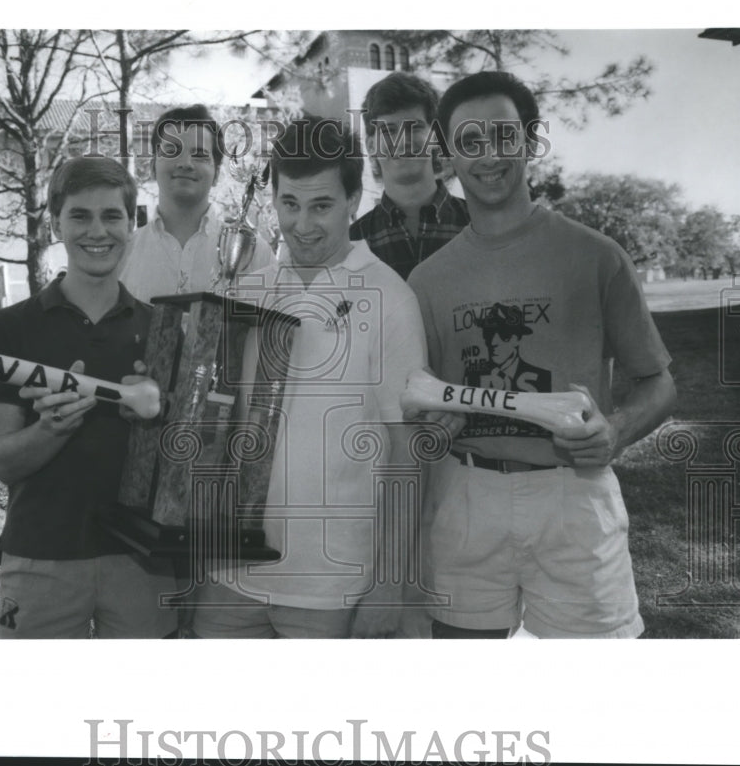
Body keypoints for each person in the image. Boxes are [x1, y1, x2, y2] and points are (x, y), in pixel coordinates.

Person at [407, 71, 676, 639]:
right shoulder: (428, 280)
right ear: (449, 155)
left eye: (504, 136)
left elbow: (659, 383)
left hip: (574, 495)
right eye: (470, 142)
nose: (489, 156)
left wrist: (617, 429)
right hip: (466, 493)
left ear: (530, 141)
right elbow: (421, 398)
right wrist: (432, 423)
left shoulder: (596, 256)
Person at [190, 115, 428, 638]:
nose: (302, 225)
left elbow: (406, 451)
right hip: (229, 576)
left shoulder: (390, 298)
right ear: (273, 199)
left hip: (331, 585)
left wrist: (390, 585)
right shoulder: (247, 291)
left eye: (321, 205)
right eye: (289, 204)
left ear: (354, 200)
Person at [0, 156, 177, 639]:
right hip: (40, 556)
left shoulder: (161, 331)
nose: (97, 231)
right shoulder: (7, 329)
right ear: (55, 224)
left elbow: (180, 462)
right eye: (79, 216)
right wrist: (51, 429)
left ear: (133, 222)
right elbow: (4, 463)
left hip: (141, 561)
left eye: (112, 215)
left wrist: (158, 421)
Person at [117, 104, 274, 303]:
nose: (185, 163)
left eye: (199, 155)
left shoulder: (256, 255)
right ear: (153, 167)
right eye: (172, 151)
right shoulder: (122, 255)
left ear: (216, 174)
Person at [349, 72, 468, 280]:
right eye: (388, 131)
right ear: (371, 145)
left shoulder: (475, 224)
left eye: (414, 127)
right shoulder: (353, 242)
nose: (402, 141)